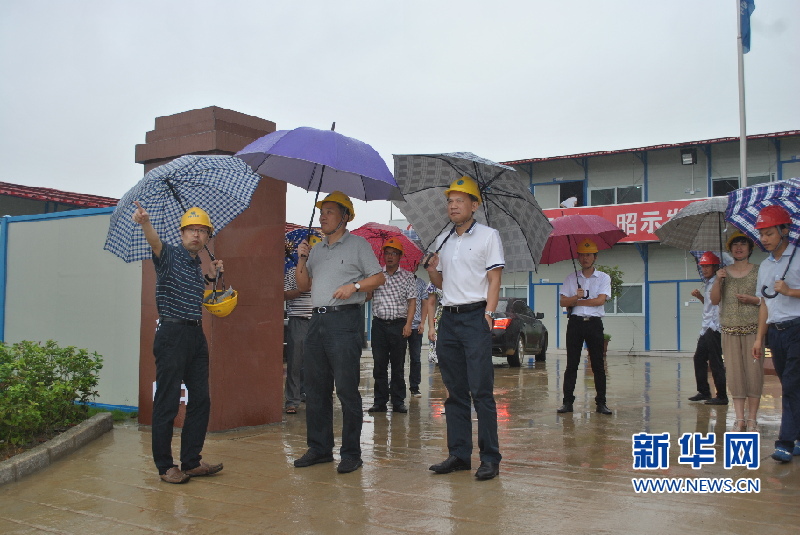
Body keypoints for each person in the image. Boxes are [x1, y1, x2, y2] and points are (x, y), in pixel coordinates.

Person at [293, 191, 385, 474]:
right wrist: (301, 259)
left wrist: (354, 287)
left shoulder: (358, 245)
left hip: (344, 322)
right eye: (322, 212)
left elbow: (378, 277)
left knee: (346, 388)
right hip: (316, 321)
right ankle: (319, 449)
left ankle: (351, 453)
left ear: (345, 217)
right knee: (315, 388)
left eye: (330, 212)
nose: (323, 217)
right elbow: (303, 285)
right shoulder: (316, 249)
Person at [132, 203, 224, 484]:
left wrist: (211, 277)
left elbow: (195, 292)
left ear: (207, 237)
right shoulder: (169, 254)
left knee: (201, 399)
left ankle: (191, 461)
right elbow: (155, 243)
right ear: (181, 233)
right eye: (191, 230)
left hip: (195, 335)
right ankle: (165, 466)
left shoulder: (196, 264)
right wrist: (146, 223)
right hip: (172, 334)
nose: (196, 235)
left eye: (202, 231)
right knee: (167, 401)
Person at [425, 176, 504, 481]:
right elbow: (442, 283)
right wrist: (432, 269)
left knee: (481, 391)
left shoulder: (488, 236)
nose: (453, 206)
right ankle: (459, 454)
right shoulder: (443, 239)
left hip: (475, 317)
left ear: (474, 205)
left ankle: (490, 458)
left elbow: (494, 279)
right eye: (450, 201)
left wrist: (489, 314)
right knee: (454, 391)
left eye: (460, 200)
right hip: (449, 318)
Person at [751, 205, 800, 463]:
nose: (764, 239)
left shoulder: (799, 257)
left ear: (785, 231)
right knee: (791, 385)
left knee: (791, 384)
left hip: (797, 328)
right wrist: (760, 338)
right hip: (776, 333)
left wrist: (791, 291)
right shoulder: (765, 266)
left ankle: (785, 443)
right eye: (761, 234)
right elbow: (764, 304)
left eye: (769, 233)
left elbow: (788, 294)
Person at [710, 233, 762, 430]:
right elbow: (714, 300)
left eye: (743, 244)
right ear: (730, 249)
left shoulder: (759, 270)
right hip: (729, 330)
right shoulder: (723, 273)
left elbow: (767, 299)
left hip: (753, 329)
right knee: (734, 375)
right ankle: (739, 419)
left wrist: (753, 300)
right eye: (735, 245)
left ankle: (752, 418)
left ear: (750, 248)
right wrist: (718, 280)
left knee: (754, 373)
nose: (739, 248)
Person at [557, 239, 613, 415]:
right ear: (578, 257)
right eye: (582, 255)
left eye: (589, 255)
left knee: (597, 364)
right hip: (575, 323)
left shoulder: (603, 277)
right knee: (572, 364)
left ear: (595, 257)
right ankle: (567, 402)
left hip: (594, 324)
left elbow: (600, 300)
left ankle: (601, 403)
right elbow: (562, 302)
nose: (585, 258)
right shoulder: (571, 278)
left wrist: (577, 301)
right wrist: (575, 297)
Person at [367, 238, 417, 414]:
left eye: (393, 253)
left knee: (398, 365)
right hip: (379, 325)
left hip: (398, 325)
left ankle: (398, 401)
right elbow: (367, 298)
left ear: (399, 256)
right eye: (387, 253)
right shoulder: (376, 275)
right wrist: (369, 287)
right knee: (379, 365)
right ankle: (379, 402)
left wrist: (408, 324)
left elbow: (412, 302)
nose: (390, 257)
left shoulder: (408, 276)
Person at [283, 237, 319, 414]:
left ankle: (310, 395)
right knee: (295, 362)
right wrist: (301, 288)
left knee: (315, 362)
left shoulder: (319, 273)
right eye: (304, 251)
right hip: (298, 319)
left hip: (317, 320)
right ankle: (292, 400)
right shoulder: (291, 272)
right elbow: (284, 295)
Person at [686, 252, 727, 406]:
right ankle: (703, 391)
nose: (704, 269)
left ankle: (722, 395)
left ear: (716, 267)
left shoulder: (720, 281)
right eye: (702, 266)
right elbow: (710, 305)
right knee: (699, 358)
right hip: (706, 327)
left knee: (715, 361)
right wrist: (700, 297)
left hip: (715, 327)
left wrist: (720, 278)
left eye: (707, 266)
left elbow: (720, 304)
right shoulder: (709, 283)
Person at [408, 275, 428, 397]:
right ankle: (394, 384)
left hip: (416, 326)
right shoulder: (400, 281)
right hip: (401, 324)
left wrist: (422, 322)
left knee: (415, 358)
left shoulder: (421, 283)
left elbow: (425, 303)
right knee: (396, 358)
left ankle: (414, 386)